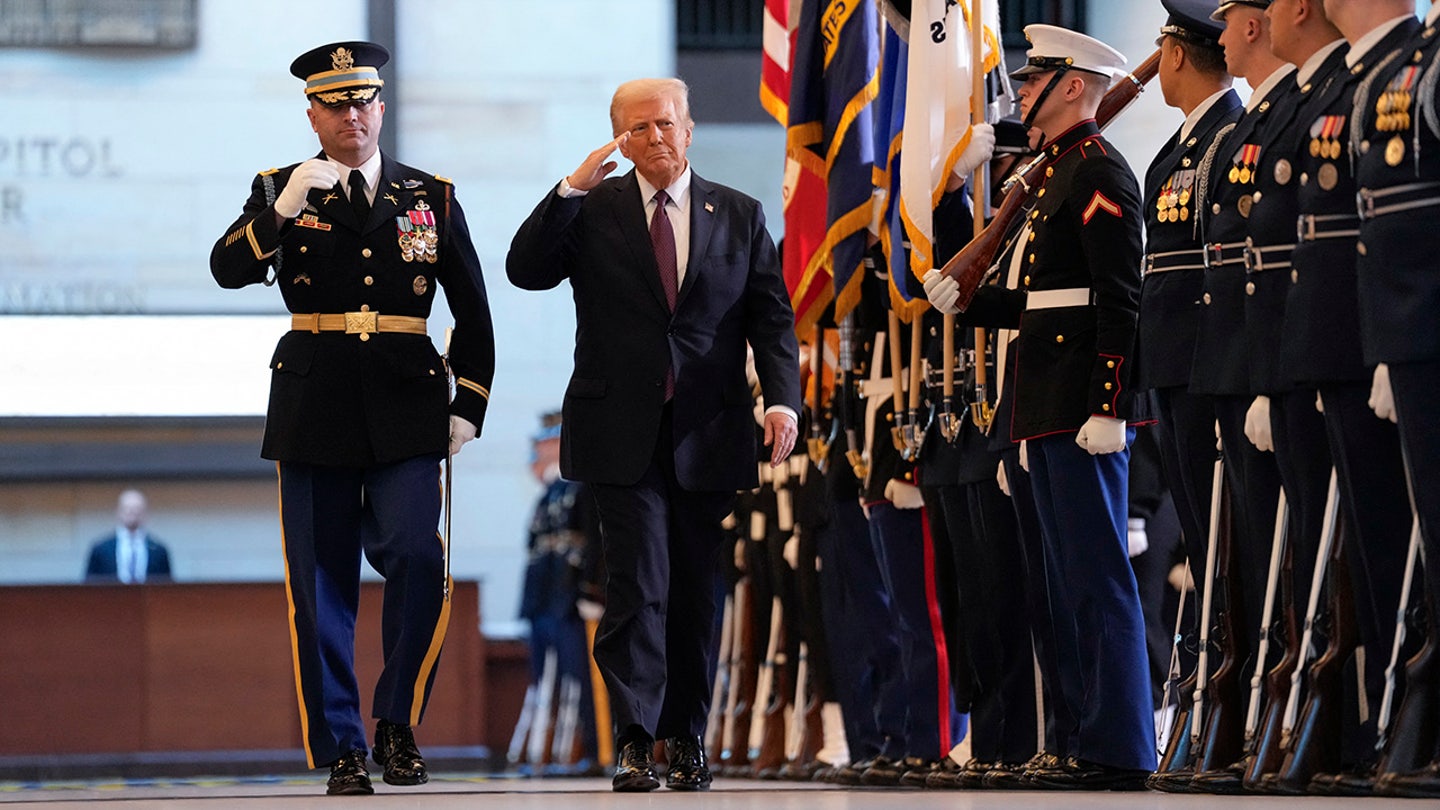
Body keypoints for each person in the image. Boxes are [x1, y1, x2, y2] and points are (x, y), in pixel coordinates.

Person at [209, 41, 495, 796]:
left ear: (382, 106)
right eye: (335, 104)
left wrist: (468, 404)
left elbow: (474, 310)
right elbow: (226, 268)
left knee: (418, 559)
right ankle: (341, 744)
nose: (352, 116)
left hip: (407, 406)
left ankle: (395, 721)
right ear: (313, 113)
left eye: (364, 100)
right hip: (315, 404)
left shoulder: (429, 195)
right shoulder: (280, 187)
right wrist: (280, 212)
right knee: (321, 584)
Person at [506, 77, 802, 792]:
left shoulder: (737, 213)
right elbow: (525, 270)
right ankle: (636, 740)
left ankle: (686, 736)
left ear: (690, 128)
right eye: (637, 129)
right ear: (619, 139)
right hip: (619, 432)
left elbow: (771, 318)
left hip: (711, 430)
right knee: (638, 582)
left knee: (698, 590)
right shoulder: (592, 211)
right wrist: (569, 188)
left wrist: (783, 402)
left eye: (665, 124)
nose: (655, 138)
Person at [925, 24, 1155, 790]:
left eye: (1036, 80)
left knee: (1095, 580)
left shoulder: (1098, 173)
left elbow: (1120, 298)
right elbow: (1036, 298)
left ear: (1075, 88)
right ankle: (1071, 737)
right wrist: (968, 299)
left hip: (1078, 407)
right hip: (1039, 401)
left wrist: (1110, 401)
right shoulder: (1054, 172)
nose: (1022, 92)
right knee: (1058, 584)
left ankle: (1117, 745)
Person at [514, 410, 600, 772]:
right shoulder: (551, 491)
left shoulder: (582, 486)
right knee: (547, 678)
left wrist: (592, 589)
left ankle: (594, 750)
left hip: (568, 596)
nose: (539, 450)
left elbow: (593, 542)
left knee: (580, 677)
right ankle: (552, 750)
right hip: (545, 596)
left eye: (546, 443)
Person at [84, 489, 172, 584]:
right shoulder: (101, 549)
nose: (132, 512)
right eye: (127, 508)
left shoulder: (159, 551)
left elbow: (167, 588)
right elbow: (89, 586)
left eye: (137, 508)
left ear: (145, 513)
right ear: (118, 512)